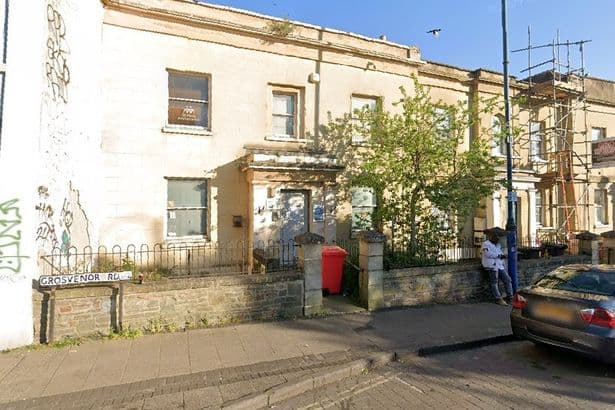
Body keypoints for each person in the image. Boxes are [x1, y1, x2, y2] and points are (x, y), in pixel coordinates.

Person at [481, 233, 513, 305]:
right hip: (491, 265)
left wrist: (502, 256)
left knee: (507, 280)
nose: (497, 239)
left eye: (498, 238)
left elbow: (500, 253)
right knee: (494, 282)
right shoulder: (485, 244)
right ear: (491, 237)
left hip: (499, 265)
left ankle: (510, 297)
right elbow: (488, 254)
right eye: (496, 237)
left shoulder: (498, 245)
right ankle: (498, 298)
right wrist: (499, 256)